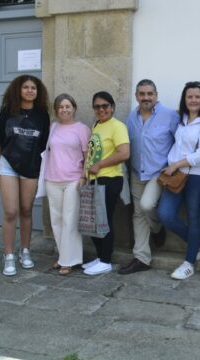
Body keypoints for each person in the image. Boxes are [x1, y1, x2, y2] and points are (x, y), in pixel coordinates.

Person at [0, 75, 50, 276]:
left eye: (33, 87)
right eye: (26, 87)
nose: (30, 90)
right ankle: (8, 255)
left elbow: (45, 145)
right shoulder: (7, 112)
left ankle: (25, 251)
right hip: (7, 165)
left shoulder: (42, 115)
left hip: (31, 167)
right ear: (18, 90)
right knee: (10, 212)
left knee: (26, 210)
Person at [157, 81, 200, 280]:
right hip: (174, 176)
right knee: (165, 214)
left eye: (197, 97)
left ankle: (189, 262)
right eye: (189, 96)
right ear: (184, 99)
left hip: (197, 176)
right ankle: (194, 242)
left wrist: (176, 164)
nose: (193, 100)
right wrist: (171, 165)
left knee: (194, 216)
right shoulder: (179, 120)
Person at [119, 79, 178, 275]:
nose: (146, 97)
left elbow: (181, 141)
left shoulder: (169, 115)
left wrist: (174, 168)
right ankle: (142, 258)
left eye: (150, 93)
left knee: (146, 206)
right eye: (142, 94)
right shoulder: (131, 117)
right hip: (137, 172)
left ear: (156, 95)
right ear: (136, 96)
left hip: (159, 174)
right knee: (138, 214)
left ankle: (157, 227)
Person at [82, 91, 130, 275]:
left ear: (112, 107)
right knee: (94, 222)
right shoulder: (96, 125)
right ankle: (100, 256)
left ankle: (106, 261)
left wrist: (99, 165)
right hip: (94, 179)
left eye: (105, 106)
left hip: (109, 179)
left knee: (104, 221)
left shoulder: (117, 126)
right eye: (97, 106)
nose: (101, 109)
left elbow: (124, 153)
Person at [44, 94, 91, 275]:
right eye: (61, 107)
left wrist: (84, 176)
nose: (64, 110)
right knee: (56, 220)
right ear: (56, 110)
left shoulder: (82, 129)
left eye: (68, 106)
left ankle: (68, 261)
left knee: (70, 221)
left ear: (74, 108)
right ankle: (64, 256)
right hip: (52, 179)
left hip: (73, 180)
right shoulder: (53, 127)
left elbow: (88, 156)